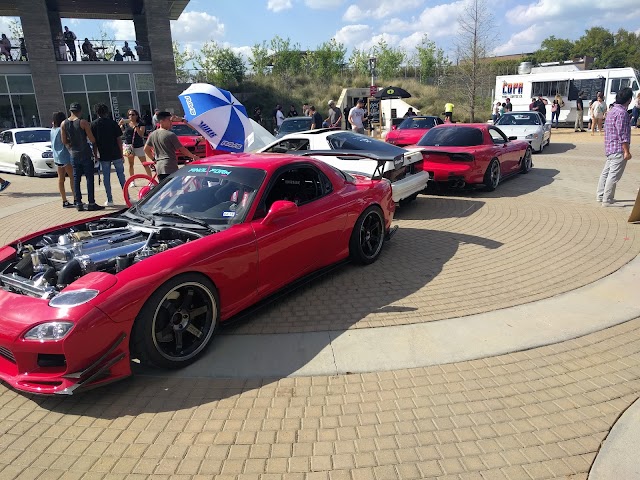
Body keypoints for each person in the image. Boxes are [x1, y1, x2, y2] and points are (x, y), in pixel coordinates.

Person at [60, 103, 104, 211]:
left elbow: (64, 141)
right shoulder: (82, 122)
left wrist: (70, 146)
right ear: (80, 111)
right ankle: (91, 202)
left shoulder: (63, 124)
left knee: (76, 179)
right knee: (89, 178)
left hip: (73, 154)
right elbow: (92, 139)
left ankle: (78, 202)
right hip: (85, 152)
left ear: (70, 111)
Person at [596, 87, 633, 206]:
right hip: (618, 149)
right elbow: (623, 134)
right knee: (613, 175)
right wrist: (626, 151)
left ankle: (600, 195)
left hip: (610, 147)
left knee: (606, 173)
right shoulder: (622, 113)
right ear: (629, 100)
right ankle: (607, 199)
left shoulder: (612, 111)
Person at [144, 111, 198, 181]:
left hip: (160, 168)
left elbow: (146, 149)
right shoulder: (170, 134)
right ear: (162, 121)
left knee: (164, 190)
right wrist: (193, 156)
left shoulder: (152, 134)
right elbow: (182, 149)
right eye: (169, 120)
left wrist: (154, 159)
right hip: (170, 166)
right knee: (175, 190)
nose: (171, 122)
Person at [91, 104, 125, 206]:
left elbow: (94, 142)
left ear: (96, 113)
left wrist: (95, 154)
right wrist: (121, 152)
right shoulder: (113, 123)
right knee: (121, 175)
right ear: (107, 112)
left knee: (106, 177)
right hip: (115, 153)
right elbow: (119, 139)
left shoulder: (93, 124)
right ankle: (126, 196)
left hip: (103, 154)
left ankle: (109, 199)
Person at [50, 111, 75, 208]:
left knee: (61, 179)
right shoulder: (62, 129)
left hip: (56, 156)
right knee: (72, 177)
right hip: (65, 155)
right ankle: (76, 198)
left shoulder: (52, 130)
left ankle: (64, 200)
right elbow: (66, 142)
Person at [119, 109, 151, 178]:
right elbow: (121, 133)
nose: (131, 116)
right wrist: (120, 125)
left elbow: (141, 134)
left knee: (144, 164)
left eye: (133, 115)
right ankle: (132, 180)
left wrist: (136, 126)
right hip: (129, 146)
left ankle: (150, 179)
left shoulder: (140, 123)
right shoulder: (126, 123)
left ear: (136, 115)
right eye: (129, 115)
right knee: (131, 164)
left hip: (138, 145)